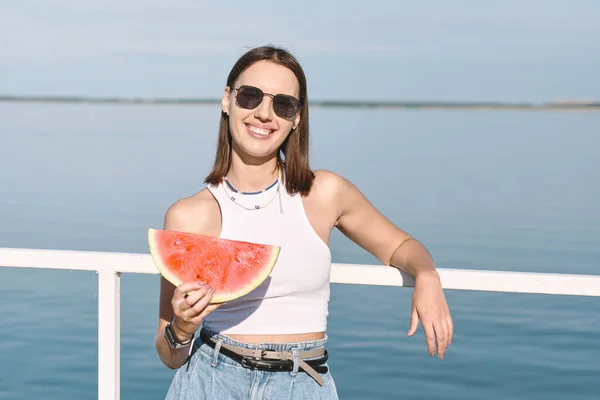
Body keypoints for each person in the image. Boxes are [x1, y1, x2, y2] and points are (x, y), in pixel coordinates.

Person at [154, 45, 453, 399]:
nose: (264, 114)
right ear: (227, 100)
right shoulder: (188, 215)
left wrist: (427, 275)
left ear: (296, 117)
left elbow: (400, 246)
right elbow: (169, 354)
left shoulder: (324, 192)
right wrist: (183, 327)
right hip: (210, 378)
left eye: (283, 104)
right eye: (250, 96)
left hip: (302, 382)